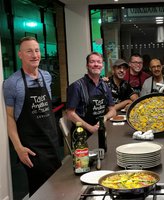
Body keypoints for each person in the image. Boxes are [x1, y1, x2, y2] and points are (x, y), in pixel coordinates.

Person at [3, 36, 61, 196]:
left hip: (52, 142)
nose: (34, 55)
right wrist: (18, 148)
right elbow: (9, 117)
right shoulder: (12, 83)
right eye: (29, 51)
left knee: (57, 186)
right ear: (20, 54)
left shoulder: (46, 76)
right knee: (40, 191)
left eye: (36, 50)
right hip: (33, 148)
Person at [66, 52, 116, 136]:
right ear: (87, 65)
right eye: (92, 62)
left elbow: (113, 110)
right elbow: (70, 114)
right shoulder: (76, 86)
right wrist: (90, 128)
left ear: (102, 66)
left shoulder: (105, 86)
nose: (96, 64)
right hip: (82, 134)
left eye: (99, 62)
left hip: (101, 130)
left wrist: (104, 118)